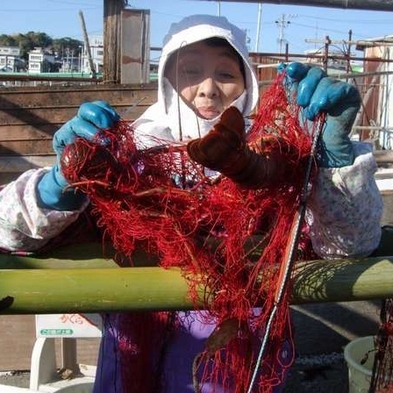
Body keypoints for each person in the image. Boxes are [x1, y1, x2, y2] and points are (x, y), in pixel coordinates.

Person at [0, 14, 383, 393]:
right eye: (191, 71)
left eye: (226, 74)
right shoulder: (126, 159)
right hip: (132, 364)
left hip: (237, 367)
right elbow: (9, 233)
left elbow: (348, 247)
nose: (208, 89)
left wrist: (336, 160)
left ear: (246, 85)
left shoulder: (275, 160)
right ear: (166, 81)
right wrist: (57, 184)